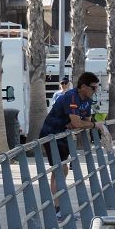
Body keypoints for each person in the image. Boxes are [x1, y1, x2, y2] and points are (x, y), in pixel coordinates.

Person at [39, 72, 102, 218]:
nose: (96, 90)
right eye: (93, 87)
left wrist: (83, 124)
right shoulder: (71, 97)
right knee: (60, 169)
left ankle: (58, 207)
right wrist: (93, 125)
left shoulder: (87, 100)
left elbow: (82, 122)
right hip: (52, 133)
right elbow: (79, 123)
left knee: (62, 169)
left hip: (63, 135)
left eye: (97, 87)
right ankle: (57, 209)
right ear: (83, 87)